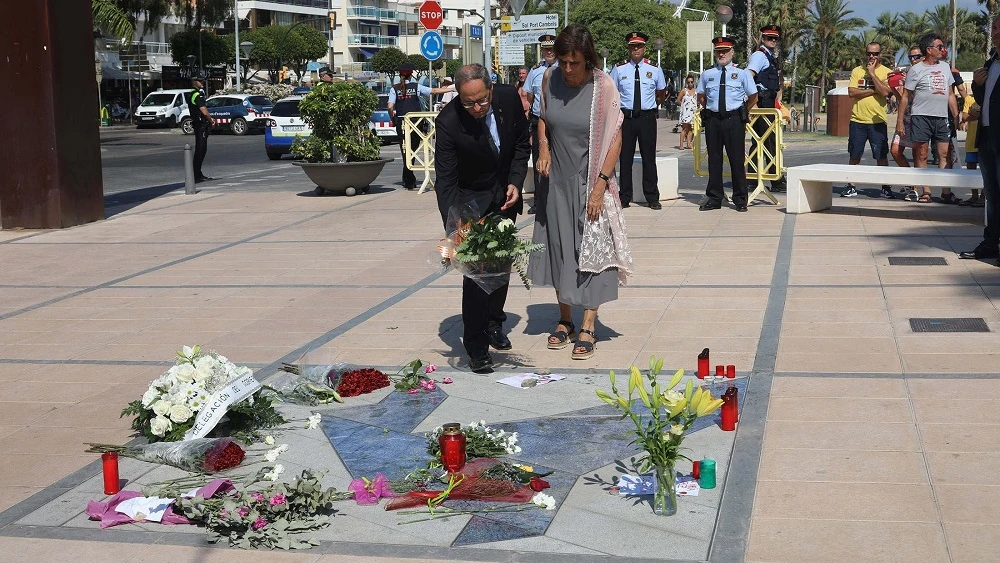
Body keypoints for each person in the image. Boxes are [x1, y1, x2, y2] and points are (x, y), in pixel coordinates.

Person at [529, 23, 632, 361]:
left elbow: (616, 138)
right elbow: (543, 117)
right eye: (563, 62)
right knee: (559, 247)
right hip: (553, 178)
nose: (568, 69)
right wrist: (543, 146)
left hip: (589, 180)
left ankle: (588, 323)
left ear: (588, 59)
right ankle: (564, 319)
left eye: (575, 62)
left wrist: (600, 187)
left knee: (590, 251)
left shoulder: (604, 86)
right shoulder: (548, 79)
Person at [434, 64, 530, 373]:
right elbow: (446, 179)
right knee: (475, 275)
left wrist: (516, 180)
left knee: (500, 263)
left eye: (482, 100)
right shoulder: (448, 122)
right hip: (469, 201)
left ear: (490, 89)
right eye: (468, 102)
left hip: (505, 195)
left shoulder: (508, 99)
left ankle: (494, 322)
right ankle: (475, 346)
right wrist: (456, 226)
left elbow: (520, 144)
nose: (477, 108)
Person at [894, 33, 959, 204]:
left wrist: (956, 115)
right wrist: (900, 121)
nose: (942, 50)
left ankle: (946, 192)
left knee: (944, 154)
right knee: (921, 154)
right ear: (929, 50)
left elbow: (951, 94)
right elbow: (905, 97)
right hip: (921, 117)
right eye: (939, 46)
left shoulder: (945, 67)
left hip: (941, 117)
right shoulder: (916, 70)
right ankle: (926, 191)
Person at [696, 36, 758, 212]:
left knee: (736, 159)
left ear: (732, 52)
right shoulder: (708, 74)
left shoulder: (742, 73)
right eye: (718, 51)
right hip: (714, 120)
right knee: (714, 159)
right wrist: (710, 108)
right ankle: (715, 198)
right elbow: (701, 96)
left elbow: (753, 96)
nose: (721, 54)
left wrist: (743, 111)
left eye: (725, 50)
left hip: (734, 120)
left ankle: (740, 199)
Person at [609, 32, 666, 209]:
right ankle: (625, 196)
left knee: (649, 158)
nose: (636, 49)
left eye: (639, 46)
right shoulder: (619, 69)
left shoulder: (654, 69)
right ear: (629, 49)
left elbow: (661, 92)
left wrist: (652, 106)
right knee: (625, 158)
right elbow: (612, 92)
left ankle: (652, 196)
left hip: (647, 117)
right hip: (626, 118)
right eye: (632, 46)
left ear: (644, 48)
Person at [961, 16, 1000, 261]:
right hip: (986, 137)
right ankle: (990, 243)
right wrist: (976, 84)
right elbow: (983, 99)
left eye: (997, 28)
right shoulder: (991, 62)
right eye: (993, 28)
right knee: (992, 194)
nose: (994, 32)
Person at [388, 63, 454, 189]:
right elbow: (433, 91)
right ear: (411, 74)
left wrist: (393, 118)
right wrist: (451, 89)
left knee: (405, 151)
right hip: (416, 122)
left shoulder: (394, 89)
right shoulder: (416, 86)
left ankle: (408, 178)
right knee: (414, 149)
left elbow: (390, 106)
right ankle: (409, 178)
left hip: (402, 123)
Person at [840, 41, 893, 199]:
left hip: (877, 121)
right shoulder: (857, 71)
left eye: (875, 54)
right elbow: (851, 93)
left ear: (880, 55)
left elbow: (885, 93)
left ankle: (885, 187)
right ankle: (851, 186)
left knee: (881, 156)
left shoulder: (886, 72)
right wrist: (873, 90)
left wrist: (872, 74)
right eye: (869, 53)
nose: (872, 56)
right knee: (854, 155)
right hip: (858, 120)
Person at [746, 24, 787, 193]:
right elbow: (748, 75)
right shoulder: (760, 55)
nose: (772, 40)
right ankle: (775, 179)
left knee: (760, 141)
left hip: (767, 101)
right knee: (769, 140)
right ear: (763, 38)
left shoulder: (769, 56)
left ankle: (753, 178)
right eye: (769, 37)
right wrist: (752, 102)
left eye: (775, 38)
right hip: (761, 102)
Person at [523, 34, 559, 210]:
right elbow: (529, 96)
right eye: (546, 49)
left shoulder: (565, 68)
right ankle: (539, 200)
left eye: (552, 48)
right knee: (539, 160)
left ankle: (558, 198)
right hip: (539, 121)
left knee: (560, 160)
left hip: (559, 123)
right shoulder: (535, 71)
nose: (549, 51)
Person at [890, 48, 921, 201]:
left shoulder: (924, 72)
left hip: (918, 118)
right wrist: (893, 85)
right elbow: (903, 97)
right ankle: (910, 182)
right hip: (905, 117)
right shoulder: (907, 73)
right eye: (910, 57)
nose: (913, 59)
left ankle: (914, 188)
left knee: (917, 154)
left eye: (916, 56)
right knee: (895, 150)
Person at [186, 72, 215, 183]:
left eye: (202, 80)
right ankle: (196, 175)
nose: (202, 82)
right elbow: (204, 110)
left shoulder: (192, 93)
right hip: (200, 124)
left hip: (198, 124)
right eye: (199, 80)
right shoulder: (197, 95)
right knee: (201, 149)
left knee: (200, 149)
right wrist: (211, 120)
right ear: (194, 81)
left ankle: (197, 173)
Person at [676, 74, 698, 149]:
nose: (690, 84)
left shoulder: (696, 91)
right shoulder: (684, 91)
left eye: (691, 82)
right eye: (688, 82)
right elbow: (678, 100)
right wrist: (683, 105)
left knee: (691, 129)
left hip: (693, 112)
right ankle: (681, 145)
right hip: (686, 112)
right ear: (686, 83)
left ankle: (689, 144)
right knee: (685, 129)